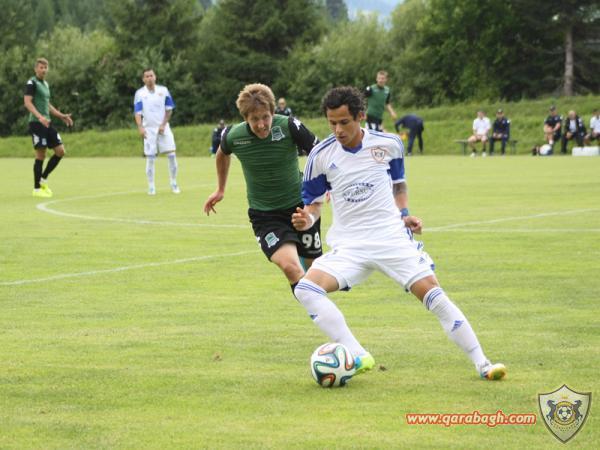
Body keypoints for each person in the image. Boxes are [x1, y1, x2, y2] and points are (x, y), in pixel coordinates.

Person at [291, 86, 506, 380]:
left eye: (344, 122)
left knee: (434, 295)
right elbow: (314, 205)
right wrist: (307, 219)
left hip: (391, 238)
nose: (338, 130)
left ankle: (484, 364)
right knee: (305, 289)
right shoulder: (320, 155)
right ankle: (357, 354)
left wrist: (405, 214)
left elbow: (398, 184)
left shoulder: (389, 144)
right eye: (332, 123)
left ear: (360, 116)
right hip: (350, 245)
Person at [203, 83, 321, 292]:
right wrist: (220, 189)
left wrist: (324, 186)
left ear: (273, 112)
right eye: (254, 119)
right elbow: (222, 153)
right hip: (266, 216)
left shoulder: (289, 126)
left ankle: (317, 302)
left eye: (265, 117)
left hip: (300, 206)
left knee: (316, 273)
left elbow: (319, 153)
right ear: (245, 118)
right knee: (292, 268)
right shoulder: (233, 135)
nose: (261, 125)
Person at [24, 57, 73, 198]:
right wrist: (39, 117)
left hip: (47, 123)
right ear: (36, 69)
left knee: (60, 151)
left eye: (45, 67)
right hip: (36, 123)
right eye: (41, 67)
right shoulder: (32, 82)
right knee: (41, 154)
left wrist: (61, 116)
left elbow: (47, 104)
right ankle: (37, 189)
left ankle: (43, 179)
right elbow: (27, 102)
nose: (43, 70)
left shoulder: (45, 84)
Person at [133, 68, 180, 195]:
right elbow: (137, 112)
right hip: (149, 129)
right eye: (147, 76)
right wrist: (140, 127)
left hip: (164, 127)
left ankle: (174, 182)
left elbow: (169, 109)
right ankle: (151, 186)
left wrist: (163, 124)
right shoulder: (140, 93)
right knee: (150, 158)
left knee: (172, 155)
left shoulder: (163, 90)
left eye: (151, 75)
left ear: (155, 77)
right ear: (143, 79)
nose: (149, 78)